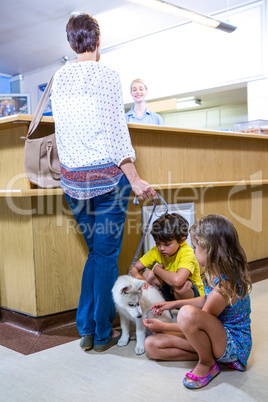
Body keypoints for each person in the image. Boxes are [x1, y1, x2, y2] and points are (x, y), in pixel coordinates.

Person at [51, 13, 156, 353]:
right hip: (108, 180)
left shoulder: (58, 77)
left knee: (97, 254)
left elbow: (62, 134)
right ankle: (99, 334)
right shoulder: (107, 75)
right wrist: (136, 179)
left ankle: (86, 329)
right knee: (106, 256)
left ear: (70, 43)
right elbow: (116, 132)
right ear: (98, 42)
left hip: (72, 182)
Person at [143, 214, 252, 389]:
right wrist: (172, 304)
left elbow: (197, 321)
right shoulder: (214, 270)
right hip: (213, 334)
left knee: (186, 314)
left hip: (231, 343)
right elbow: (205, 300)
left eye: (194, 247)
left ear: (209, 250)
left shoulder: (225, 285)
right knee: (151, 346)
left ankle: (207, 363)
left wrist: (163, 327)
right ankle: (210, 357)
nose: (192, 252)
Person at [129, 213, 204, 300]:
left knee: (182, 286)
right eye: (158, 243)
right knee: (147, 275)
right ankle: (159, 307)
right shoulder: (156, 251)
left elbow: (178, 281)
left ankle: (185, 311)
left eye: (167, 244)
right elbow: (132, 268)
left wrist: (157, 269)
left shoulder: (187, 253)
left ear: (181, 240)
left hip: (192, 298)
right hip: (171, 293)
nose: (161, 248)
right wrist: (138, 277)